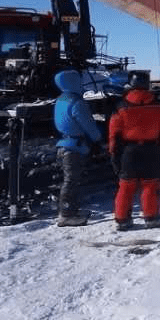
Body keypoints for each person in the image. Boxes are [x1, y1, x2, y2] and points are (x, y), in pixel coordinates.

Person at [109, 71, 160, 230]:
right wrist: (159, 145)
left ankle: (122, 220)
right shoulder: (159, 105)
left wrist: (114, 155)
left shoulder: (121, 106)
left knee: (126, 186)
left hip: (129, 151)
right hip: (150, 149)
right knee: (150, 184)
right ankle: (151, 218)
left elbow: (114, 134)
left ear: (131, 84)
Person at [53, 69, 103, 227]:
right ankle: (66, 215)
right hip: (74, 148)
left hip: (64, 144)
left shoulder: (61, 99)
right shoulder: (77, 102)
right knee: (71, 181)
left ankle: (72, 210)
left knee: (71, 180)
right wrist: (98, 138)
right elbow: (88, 124)